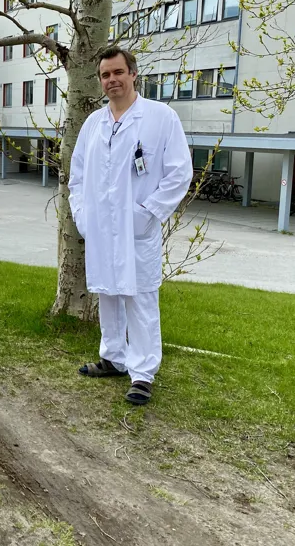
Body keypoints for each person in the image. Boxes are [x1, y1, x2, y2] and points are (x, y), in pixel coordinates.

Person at [68, 47, 193, 405]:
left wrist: (147, 212)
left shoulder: (160, 118)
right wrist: (82, 215)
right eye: (105, 75)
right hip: (100, 228)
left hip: (137, 228)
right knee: (108, 294)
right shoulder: (94, 124)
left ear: (134, 74)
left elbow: (179, 173)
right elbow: (77, 175)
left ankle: (142, 373)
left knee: (140, 300)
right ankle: (113, 357)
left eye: (118, 72)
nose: (112, 80)